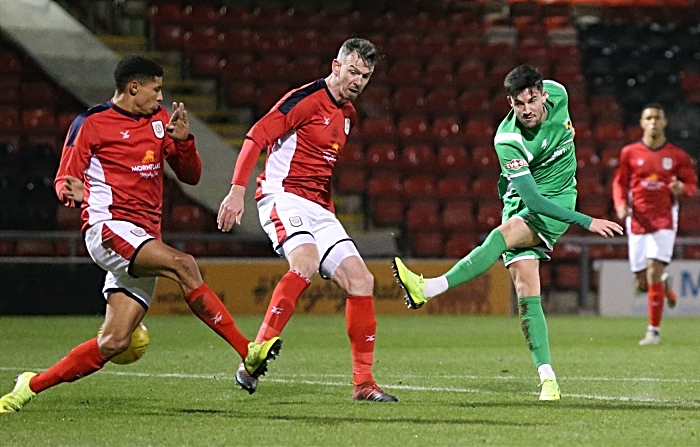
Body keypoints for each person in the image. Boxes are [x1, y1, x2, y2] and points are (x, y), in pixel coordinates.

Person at [0, 55, 280, 414]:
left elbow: (191, 176)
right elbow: (64, 178)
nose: (161, 98)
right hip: (108, 228)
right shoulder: (91, 123)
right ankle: (248, 351)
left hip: (143, 237)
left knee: (114, 342)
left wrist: (183, 142)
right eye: (156, 89)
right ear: (134, 87)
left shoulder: (160, 122)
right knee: (183, 264)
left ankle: (31, 384)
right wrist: (71, 192)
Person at [392, 65, 624, 401]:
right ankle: (548, 380)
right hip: (524, 202)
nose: (527, 109)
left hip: (557, 202)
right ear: (510, 103)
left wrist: (583, 220)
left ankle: (429, 287)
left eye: (532, 100)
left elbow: (540, 202)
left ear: (544, 93)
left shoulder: (560, 94)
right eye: (518, 103)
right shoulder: (507, 139)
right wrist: (587, 221)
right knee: (526, 291)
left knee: (506, 233)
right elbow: (528, 197)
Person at [217, 38, 397, 402]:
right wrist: (237, 191)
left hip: (318, 208)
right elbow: (256, 137)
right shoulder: (304, 100)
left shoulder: (348, 115)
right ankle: (256, 353)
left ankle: (363, 384)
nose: (358, 81)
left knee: (361, 280)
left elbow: (323, 170)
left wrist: (327, 212)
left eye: (365, 76)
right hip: (282, 197)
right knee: (306, 262)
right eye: (353, 71)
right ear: (335, 66)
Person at [612, 103, 698, 346]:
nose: (652, 122)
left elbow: (692, 184)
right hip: (637, 219)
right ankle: (666, 287)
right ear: (641, 123)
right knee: (642, 280)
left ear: (664, 122)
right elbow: (619, 183)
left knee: (652, 270)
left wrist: (683, 188)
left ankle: (653, 331)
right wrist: (620, 204)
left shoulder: (677, 156)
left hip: (664, 219)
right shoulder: (629, 153)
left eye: (657, 118)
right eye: (648, 118)